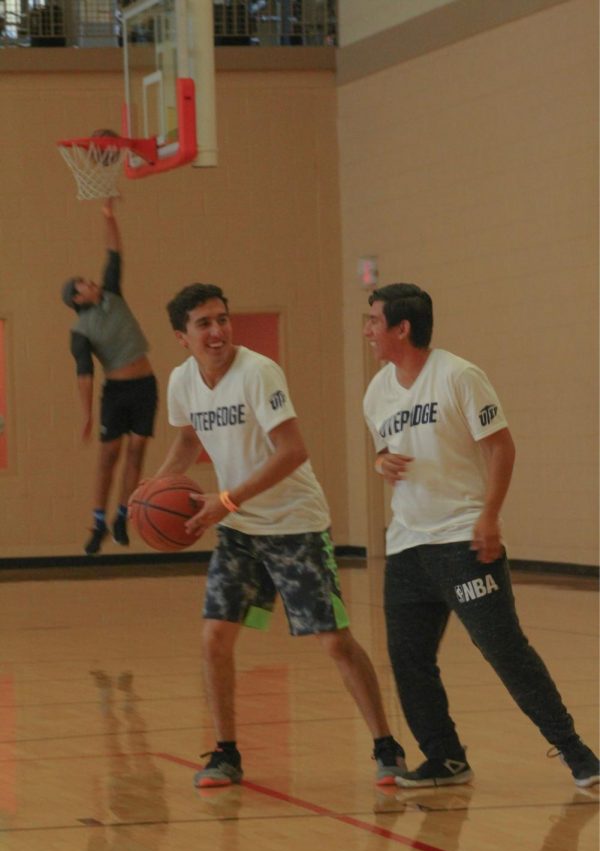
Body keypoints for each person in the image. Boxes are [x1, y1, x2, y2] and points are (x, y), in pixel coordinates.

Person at [152, 282, 405, 788]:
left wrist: (224, 501)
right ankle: (226, 754)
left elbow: (292, 452)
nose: (218, 330)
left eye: (223, 318)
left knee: (334, 641)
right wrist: (156, 488)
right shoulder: (182, 381)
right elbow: (186, 438)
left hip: (296, 526)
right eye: (204, 323)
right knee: (214, 639)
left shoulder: (259, 372)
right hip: (241, 530)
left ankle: (386, 745)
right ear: (182, 336)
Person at [362, 282, 599, 789]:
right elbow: (384, 448)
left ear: (402, 328)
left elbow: (501, 447)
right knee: (408, 659)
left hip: (462, 541)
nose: (368, 331)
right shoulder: (376, 391)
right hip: (406, 546)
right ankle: (445, 758)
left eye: (374, 321)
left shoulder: (458, 375)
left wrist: (489, 515)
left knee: (504, 649)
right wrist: (381, 460)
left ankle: (578, 754)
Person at [61, 200, 158, 555]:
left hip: (145, 385)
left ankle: (122, 516)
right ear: (76, 297)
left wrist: (109, 217)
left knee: (136, 451)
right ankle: (98, 521)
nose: (92, 282)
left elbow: (114, 252)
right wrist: (87, 414)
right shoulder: (80, 331)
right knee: (109, 456)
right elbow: (84, 375)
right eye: (84, 283)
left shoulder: (112, 295)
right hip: (116, 391)